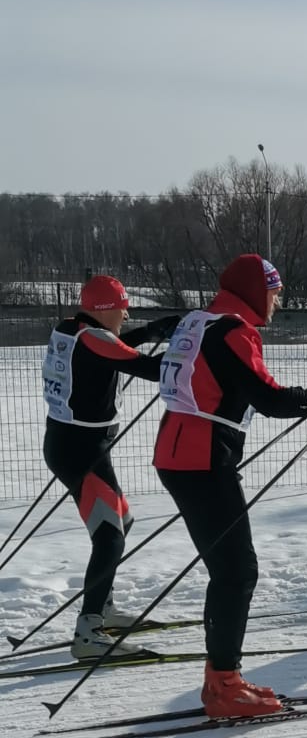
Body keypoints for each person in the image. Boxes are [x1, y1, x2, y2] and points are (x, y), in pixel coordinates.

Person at [153, 255, 307, 718]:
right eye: (274, 292)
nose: (277, 302)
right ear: (254, 291)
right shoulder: (233, 332)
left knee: (230, 569)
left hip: (179, 453)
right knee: (236, 571)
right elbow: (270, 399)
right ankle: (224, 686)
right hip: (201, 459)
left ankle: (220, 679)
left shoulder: (200, 321)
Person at [41, 275, 178, 658]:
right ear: (105, 309)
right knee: (109, 535)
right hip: (79, 450)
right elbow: (151, 369)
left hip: (78, 446)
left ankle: (102, 607)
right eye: (122, 307)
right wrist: (192, 349)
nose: (126, 314)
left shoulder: (72, 329)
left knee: (122, 521)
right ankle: (89, 632)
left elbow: (109, 348)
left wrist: (150, 331)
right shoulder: (94, 340)